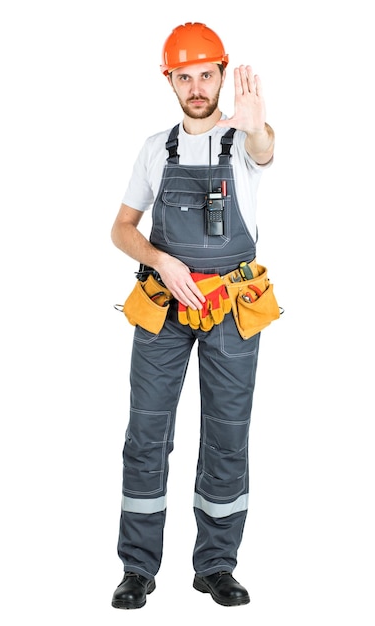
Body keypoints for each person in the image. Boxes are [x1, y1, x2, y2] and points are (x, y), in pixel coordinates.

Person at [110, 22, 276, 610]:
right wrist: (162, 261)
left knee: (227, 437)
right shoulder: (156, 148)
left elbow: (265, 148)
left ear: (222, 75)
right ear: (171, 81)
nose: (198, 86)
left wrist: (256, 128)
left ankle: (216, 566)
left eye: (207, 74)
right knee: (146, 436)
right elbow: (121, 229)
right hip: (164, 306)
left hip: (234, 307)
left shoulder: (244, 141)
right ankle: (138, 569)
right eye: (186, 76)